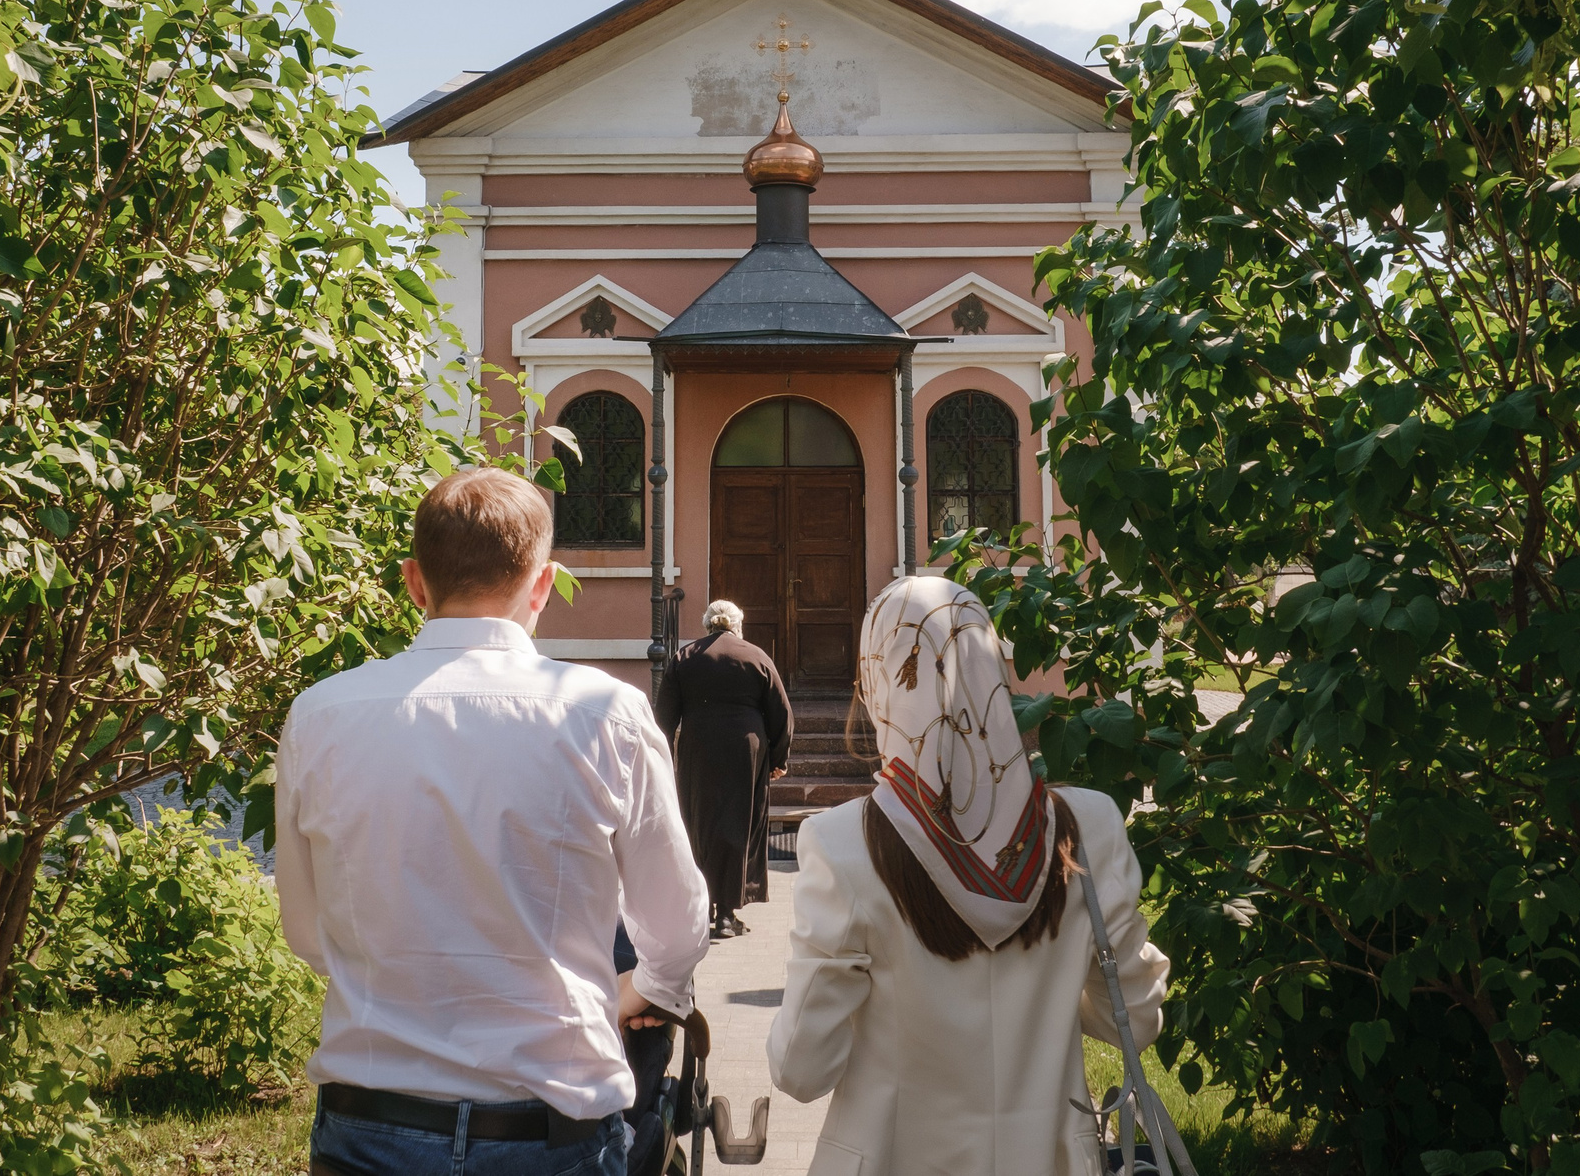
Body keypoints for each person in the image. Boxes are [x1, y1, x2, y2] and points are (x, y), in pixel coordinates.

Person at [276, 469, 712, 1176]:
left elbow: (308, 931)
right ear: (542, 586)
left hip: (372, 1127)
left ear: (414, 583)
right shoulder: (605, 713)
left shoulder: (321, 715)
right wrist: (632, 993)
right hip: (550, 1131)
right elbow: (681, 924)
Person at [765, 577, 1171, 1175]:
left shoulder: (842, 843)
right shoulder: (1090, 825)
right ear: (992, 670)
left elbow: (802, 1069)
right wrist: (1051, 995)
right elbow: (1135, 1019)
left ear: (878, 687)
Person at [654, 599, 792, 939]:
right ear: (738, 624)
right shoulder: (755, 656)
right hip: (746, 752)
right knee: (738, 824)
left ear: (706, 624)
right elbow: (782, 713)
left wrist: (663, 758)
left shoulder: (684, 658)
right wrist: (777, 759)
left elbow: (664, 716)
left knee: (698, 824)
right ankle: (727, 914)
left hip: (698, 750)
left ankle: (702, 907)